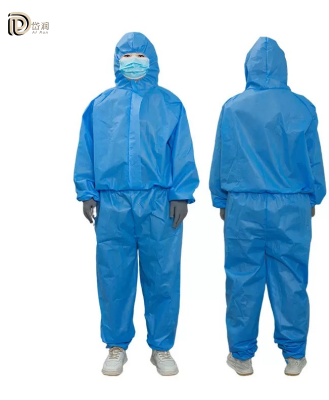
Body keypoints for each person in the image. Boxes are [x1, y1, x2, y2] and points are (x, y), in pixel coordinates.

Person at [74, 32, 199, 377]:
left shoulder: (170, 104)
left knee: (163, 274)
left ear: (152, 61)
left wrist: (180, 193)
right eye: (127, 56)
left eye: (140, 56)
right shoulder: (100, 105)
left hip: (158, 202)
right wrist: (86, 191)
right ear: (117, 62)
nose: (133, 62)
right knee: (114, 275)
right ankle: (116, 346)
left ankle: (161, 347)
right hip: (112, 202)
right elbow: (86, 148)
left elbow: (182, 150)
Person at [209, 37, 326, 376]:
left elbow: (222, 155)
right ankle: (294, 355)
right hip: (291, 205)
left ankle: (242, 356)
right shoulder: (302, 107)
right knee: (291, 279)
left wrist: (220, 198)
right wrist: (313, 196)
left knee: (242, 279)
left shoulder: (233, 107)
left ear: (249, 67)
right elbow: (313, 158)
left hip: (243, 204)